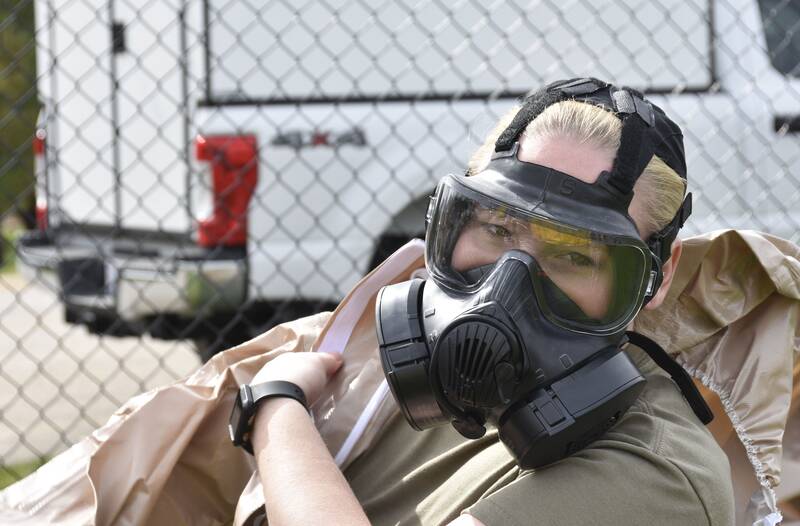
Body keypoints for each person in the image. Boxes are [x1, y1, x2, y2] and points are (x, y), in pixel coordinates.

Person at [239, 78, 736, 525]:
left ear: (657, 279)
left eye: (575, 257)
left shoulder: (661, 477)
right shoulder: (404, 386)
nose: (506, 285)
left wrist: (274, 410)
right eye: (497, 228)